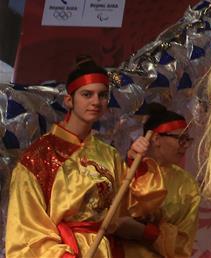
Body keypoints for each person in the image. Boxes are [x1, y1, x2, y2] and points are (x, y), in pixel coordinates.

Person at [6, 59, 165, 258]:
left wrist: (136, 164)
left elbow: (132, 208)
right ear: (69, 100)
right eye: (87, 94)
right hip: (64, 250)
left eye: (102, 95)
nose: (96, 101)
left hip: (105, 249)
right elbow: (27, 228)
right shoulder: (39, 156)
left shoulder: (108, 154)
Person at [121, 104, 200, 258]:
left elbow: (183, 245)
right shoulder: (126, 169)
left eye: (187, 140)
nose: (185, 146)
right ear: (157, 138)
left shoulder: (187, 184)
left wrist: (146, 232)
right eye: (181, 139)